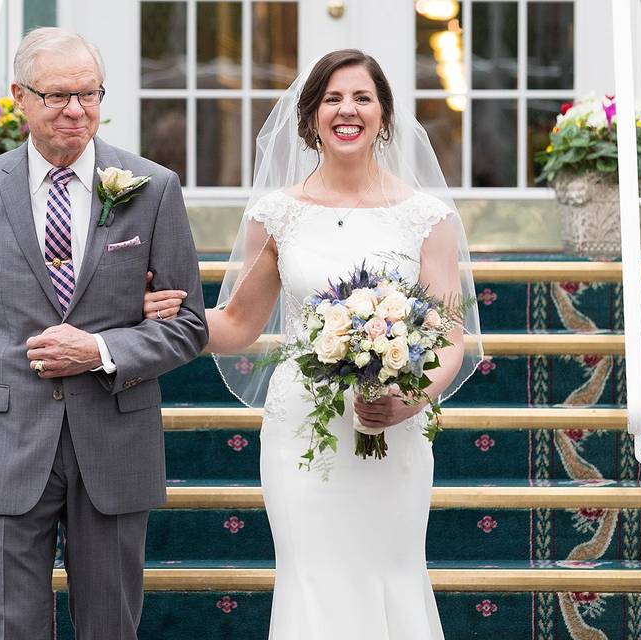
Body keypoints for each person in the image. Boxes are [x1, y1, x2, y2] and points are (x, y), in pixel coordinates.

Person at [143, 49, 481, 638]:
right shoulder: (277, 214)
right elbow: (240, 324)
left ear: (384, 115)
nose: (346, 110)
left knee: (390, 572)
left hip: (394, 427)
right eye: (332, 98)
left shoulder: (427, 217)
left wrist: (411, 399)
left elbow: (449, 337)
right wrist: (180, 316)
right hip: (304, 427)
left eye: (362, 98)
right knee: (312, 576)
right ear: (310, 118)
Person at [0, 27, 207, 639]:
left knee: (109, 625)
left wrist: (100, 349)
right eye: (58, 96)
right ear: (21, 97)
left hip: (114, 439)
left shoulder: (152, 188)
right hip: (5, 437)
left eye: (89, 94)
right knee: (7, 626)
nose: (77, 111)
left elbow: (186, 327)